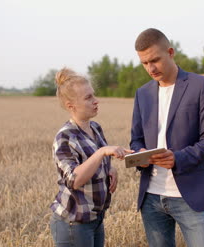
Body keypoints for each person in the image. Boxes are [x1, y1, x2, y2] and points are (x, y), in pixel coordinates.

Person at [130, 28, 204, 247]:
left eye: (155, 60)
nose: (150, 68)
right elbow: (136, 139)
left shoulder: (201, 86)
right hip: (151, 197)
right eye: (144, 63)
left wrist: (178, 158)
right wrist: (139, 153)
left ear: (170, 52)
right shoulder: (142, 94)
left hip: (191, 195)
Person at [50, 67, 132, 247]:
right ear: (71, 106)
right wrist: (101, 152)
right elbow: (74, 179)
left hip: (95, 218)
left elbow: (96, 163)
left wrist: (110, 168)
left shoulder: (95, 128)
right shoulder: (65, 137)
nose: (96, 101)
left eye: (93, 95)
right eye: (88, 98)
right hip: (74, 223)